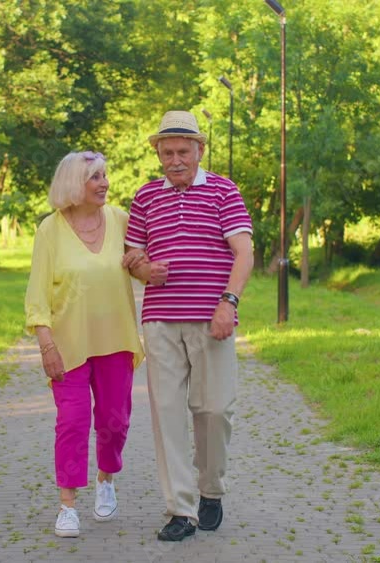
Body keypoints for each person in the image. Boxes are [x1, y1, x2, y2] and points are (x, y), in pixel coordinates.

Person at [122, 110, 254, 542]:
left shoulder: (223, 191)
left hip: (211, 318)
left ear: (199, 150)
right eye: (167, 152)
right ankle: (181, 509)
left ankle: (210, 490)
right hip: (160, 320)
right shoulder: (144, 198)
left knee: (214, 410)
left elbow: (244, 252)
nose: (175, 159)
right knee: (167, 416)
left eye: (183, 151)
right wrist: (144, 271)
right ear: (158, 154)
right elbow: (133, 257)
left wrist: (227, 304)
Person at [25, 151, 145, 539]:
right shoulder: (50, 230)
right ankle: (68, 505)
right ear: (74, 184)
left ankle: (106, 478)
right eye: (95, 177)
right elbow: (37, 294)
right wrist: (46, 344)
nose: (104, 183)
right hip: (69, 344)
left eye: (105, 175)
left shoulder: (121, 220)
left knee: (115, 420)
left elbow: (142, 261)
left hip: (116, 341)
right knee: (72, 423)